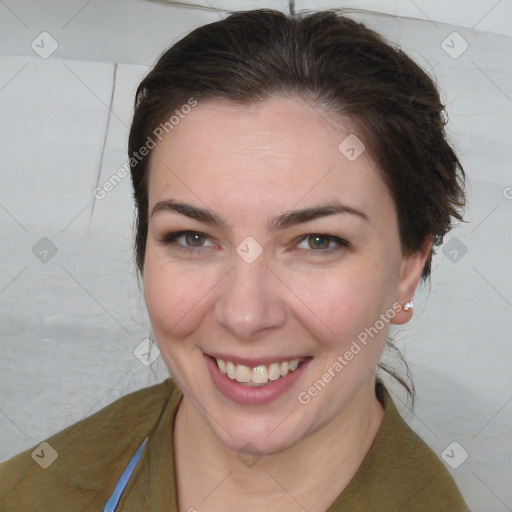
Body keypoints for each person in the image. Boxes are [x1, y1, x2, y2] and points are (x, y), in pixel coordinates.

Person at [0, 7, 471, 512]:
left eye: (317, 242)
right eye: (192, 237)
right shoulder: (27, 491)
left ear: (407, 267)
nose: (244, 315)